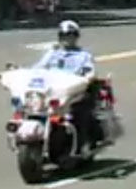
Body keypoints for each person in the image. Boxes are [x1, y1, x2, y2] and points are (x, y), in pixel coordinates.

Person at [28, 20, 103, 151]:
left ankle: (81, 144)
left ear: (76, 37)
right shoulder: (52, 53)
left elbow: (90, 70)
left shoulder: (83, 55)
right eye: (63, 35)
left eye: (70, 35)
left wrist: (89, 75)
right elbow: (38, 68)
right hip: (52, 91)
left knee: (79, 112)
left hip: (72, 92)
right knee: (31, 107)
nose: (67, 39)